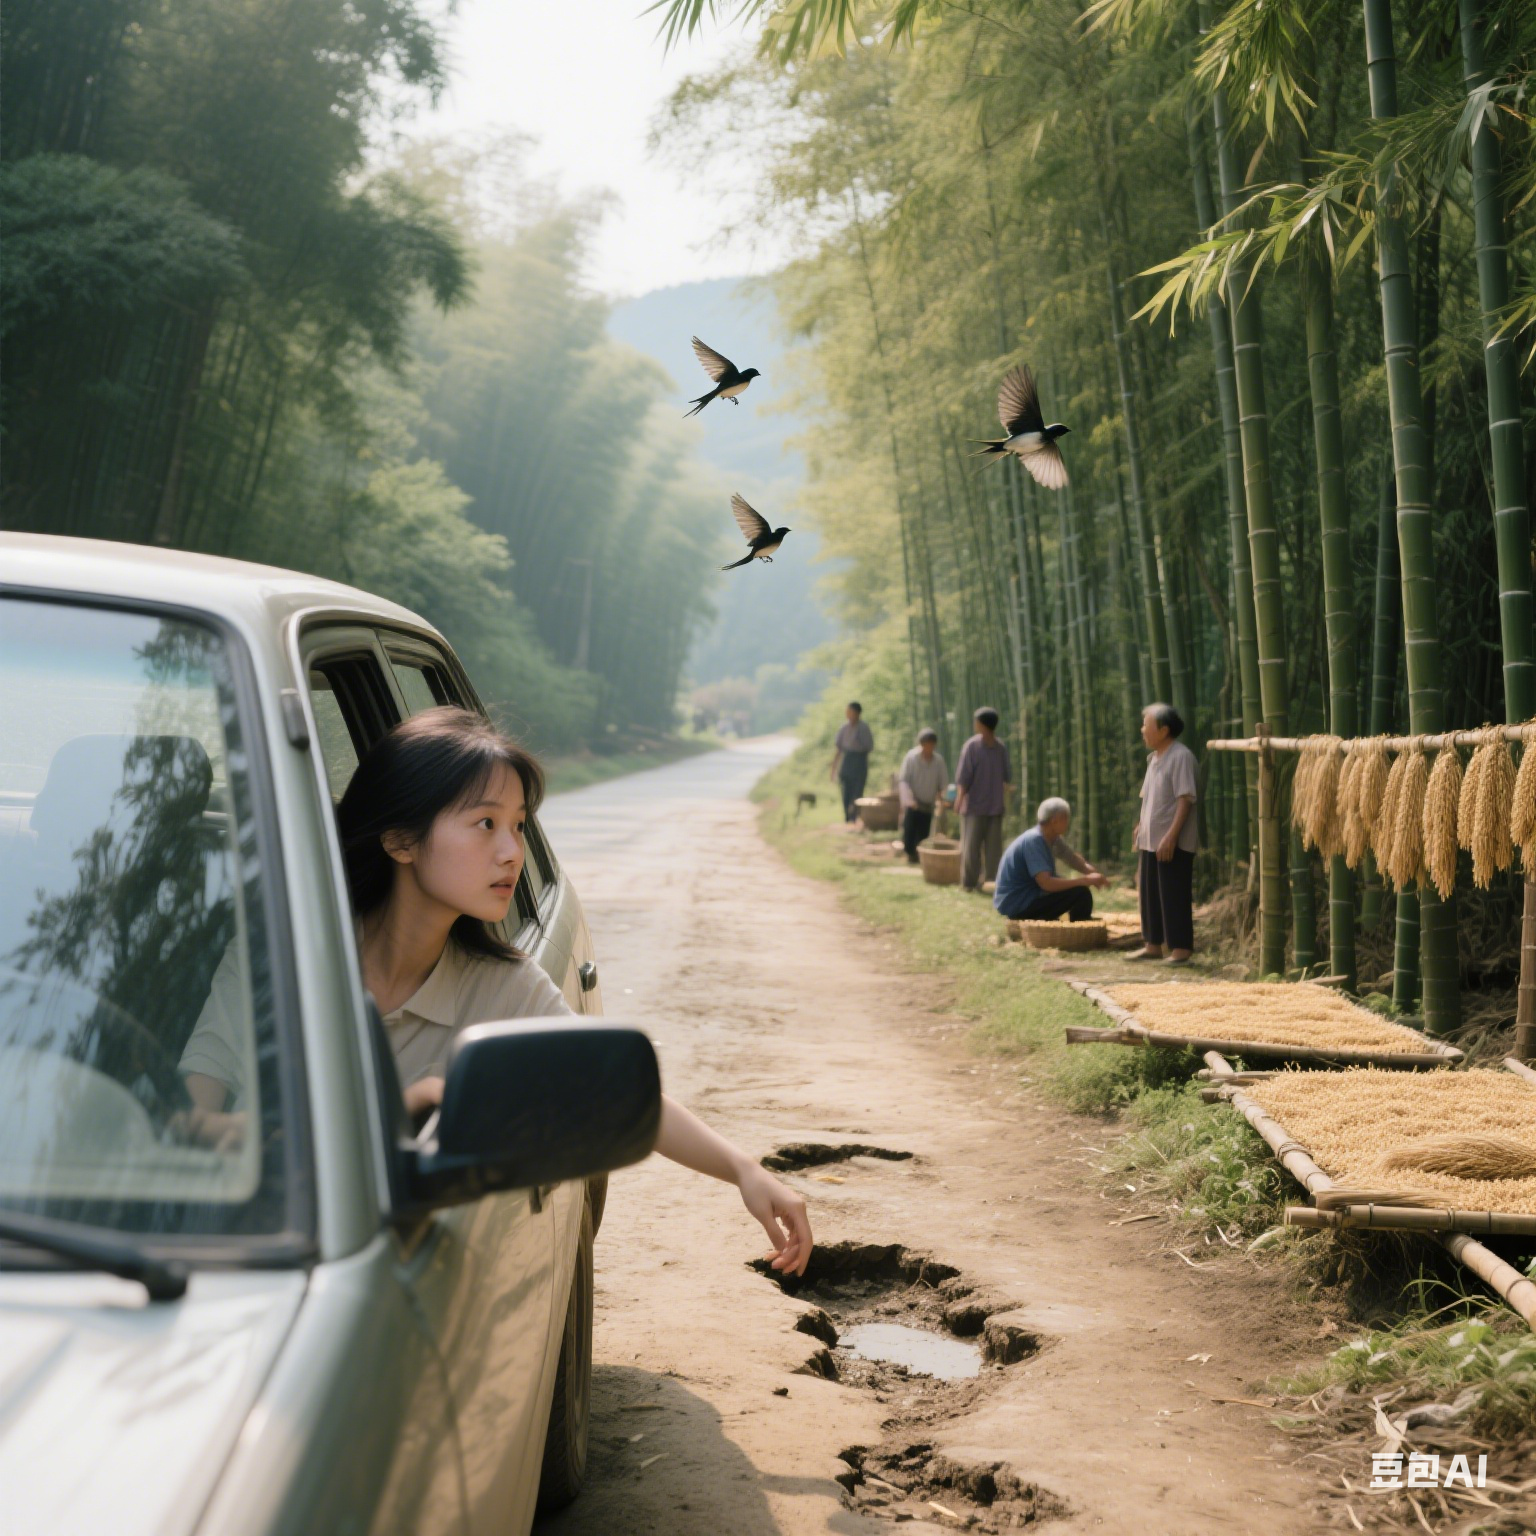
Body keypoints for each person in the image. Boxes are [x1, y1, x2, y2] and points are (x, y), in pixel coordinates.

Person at [181, 707, 812, 1275]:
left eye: (518, 825)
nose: (513, 852)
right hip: (234, 1261)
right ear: (400, 839)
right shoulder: (282, 962)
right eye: (485, 824)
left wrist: (744, 1171)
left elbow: (611, 1088)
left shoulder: (505, 988)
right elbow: (188, 1119)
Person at [1129, 702, 1198, 965]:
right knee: (1151, 893)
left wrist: (1171, 835)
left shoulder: (1180, 756)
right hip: (1151, 837)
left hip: (1172, 839)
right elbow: (1149, 798)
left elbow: (1185, 799)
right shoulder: (1154, 759)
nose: (1142, 730)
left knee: (1173, 893)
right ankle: (1153, 944)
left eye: (1146, 725)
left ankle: (1180, 950)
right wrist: (1140, 824)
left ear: (1164, 730)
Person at [993, 797, 1109, 921]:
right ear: (1055, 821)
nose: (1068, 823)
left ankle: (1073, 925)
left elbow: (1072, 859)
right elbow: (1046, 883)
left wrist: (1095, 875)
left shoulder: (1052, 838)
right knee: (1081, 893)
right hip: (1018, 904)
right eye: (1065, 819)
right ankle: (1081, 931)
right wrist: (1084, 880)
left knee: (1071, 887)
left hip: (1030, 897)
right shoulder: (1034, 840)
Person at [954, 706, 1012, 891]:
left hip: (994, 806)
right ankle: (969, 883)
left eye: (976, 721)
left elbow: (1006, 777)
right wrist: (959, 800)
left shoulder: (1000, 748)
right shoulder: (972, 747)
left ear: (983, 724)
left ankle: (992, 882)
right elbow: (964, 777)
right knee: (971, 848)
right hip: (974, 807)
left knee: (994, 849)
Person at [896, 728, 948, 863]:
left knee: (923, 832)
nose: (928, 748)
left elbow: (942, 784)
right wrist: (908, 799)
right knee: (910, 830)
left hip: (927, 803)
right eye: (926, 744)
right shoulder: (911, 757)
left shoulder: (938, 761)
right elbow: (904, 780)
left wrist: (942, 800)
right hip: (913, 802)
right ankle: (909, 853)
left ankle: (919, 855)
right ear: (921, 744)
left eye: (931, 745)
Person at [829, 701, 874, 823]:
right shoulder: (844, 728)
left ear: (858, 713)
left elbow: (869, 747)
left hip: (859, 761)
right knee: (845, 790)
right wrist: (833, 768)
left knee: (857, 790)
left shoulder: (864, 728)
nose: (849, 714)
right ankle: (847, 817)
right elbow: (838, 749)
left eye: (851, 712)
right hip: (847, 760)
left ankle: (855, 816)